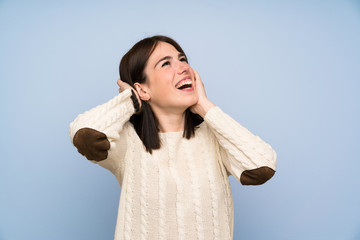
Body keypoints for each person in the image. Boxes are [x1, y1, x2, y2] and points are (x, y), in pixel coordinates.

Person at [69, 35, 277, 240]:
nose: (183, 67)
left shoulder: (214, 138)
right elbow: (85, 135)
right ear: (142, 88)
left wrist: (205, 107)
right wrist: (130, 100)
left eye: (183, 59)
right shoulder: (127, 143)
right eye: (166, 63)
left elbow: (262, 166)